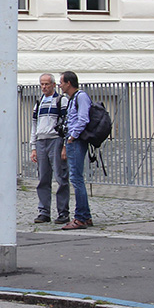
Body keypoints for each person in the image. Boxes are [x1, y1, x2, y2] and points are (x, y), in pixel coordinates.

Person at [29, 74, 69, 224]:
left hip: (55, 140)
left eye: (47, 84)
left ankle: (63, 212)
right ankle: (44, 211)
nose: (44, 87)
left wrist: (64, 145)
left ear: (53, 85)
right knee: (43, 178)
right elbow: (34, 125)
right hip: (41, 141)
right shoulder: (38, 103)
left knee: (60, 177)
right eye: (42, 84)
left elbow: (66, 123)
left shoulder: (61, 101)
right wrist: (33, 147)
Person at [59, 71, 93, 230]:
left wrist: (72, 136)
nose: (60, 85)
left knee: (76, 179)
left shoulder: (81, 97)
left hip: (77, 141)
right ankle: (85, 216)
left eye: (61, 82)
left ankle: (80, 217)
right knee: (76, 178)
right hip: (72, 141)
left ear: (69, 83)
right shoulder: (72, 99)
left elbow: (83, 118)